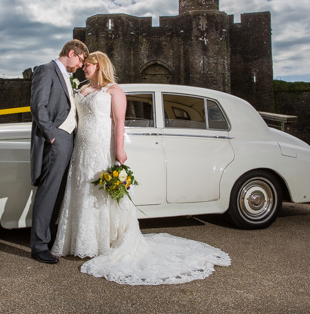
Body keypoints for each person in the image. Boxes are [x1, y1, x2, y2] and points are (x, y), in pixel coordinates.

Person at [51, 51, 231, 285]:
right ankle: (83, 241)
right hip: (81, 148)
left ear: (99, 66)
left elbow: (118, 122)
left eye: (88, 64)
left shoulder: (113, 90)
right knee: (82, 190)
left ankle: (106, 241)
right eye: (84, 64)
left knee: (102, 195)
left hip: (101, 147)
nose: (84, 67)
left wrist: (119, 150)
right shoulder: (83, 90)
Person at [30, 39, 89, 264]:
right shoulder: (46, 70)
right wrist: (52, 134)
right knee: (49, 192)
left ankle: (49, 237)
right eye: (81, 59)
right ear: (71, 52)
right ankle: (39, 246)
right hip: (57, 138)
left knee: (59, 192)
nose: (81, 65)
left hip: (68, 139)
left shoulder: (66, 75)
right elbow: (38, 105)